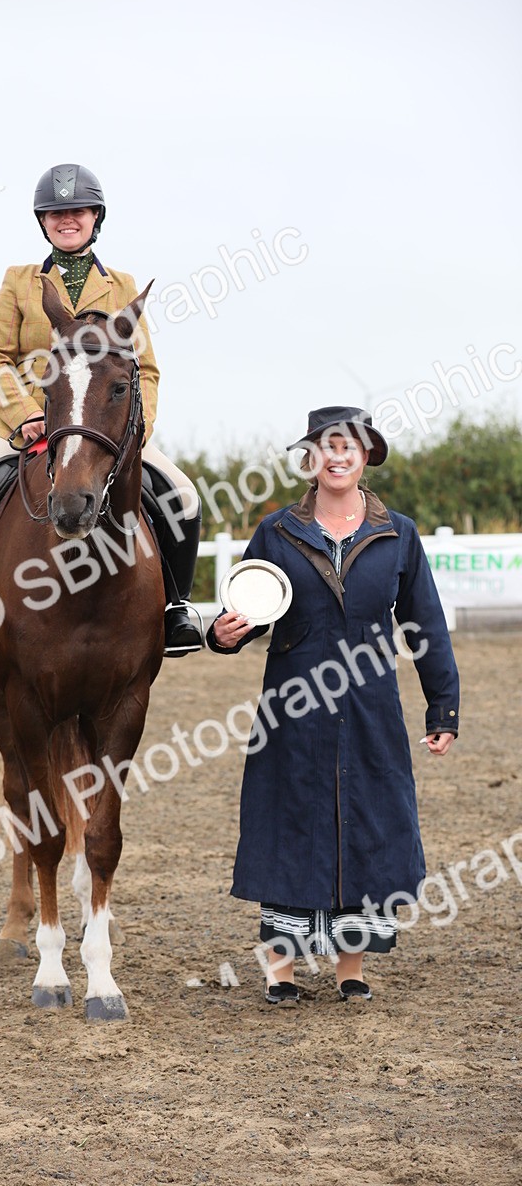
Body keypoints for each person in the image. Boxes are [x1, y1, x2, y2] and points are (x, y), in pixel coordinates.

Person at [207, 405, 459, 1006]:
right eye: (327, 446)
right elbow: (251, 606)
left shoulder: (398, 532)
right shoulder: (276, 529)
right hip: (292, 703)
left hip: (371, 705)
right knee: (285, 821)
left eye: (350, 446)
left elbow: (426, 621)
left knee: (367, 821)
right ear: (311, 459)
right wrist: (224, 633)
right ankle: (282, 974)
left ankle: (351, 970)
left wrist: (442, 706)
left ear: (366, 455)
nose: (339, 456)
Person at [0, 163, 203, 658]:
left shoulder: (123, 285)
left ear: (96, 217)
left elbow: (146, 370)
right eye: (55, 214)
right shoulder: (18, 282)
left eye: (76, 211)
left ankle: (175, 608)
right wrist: (25, 414)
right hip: (24, 420)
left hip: (103, 423)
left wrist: (136, 432)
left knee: (182, 495)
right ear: (43, 222)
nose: (66, 220)